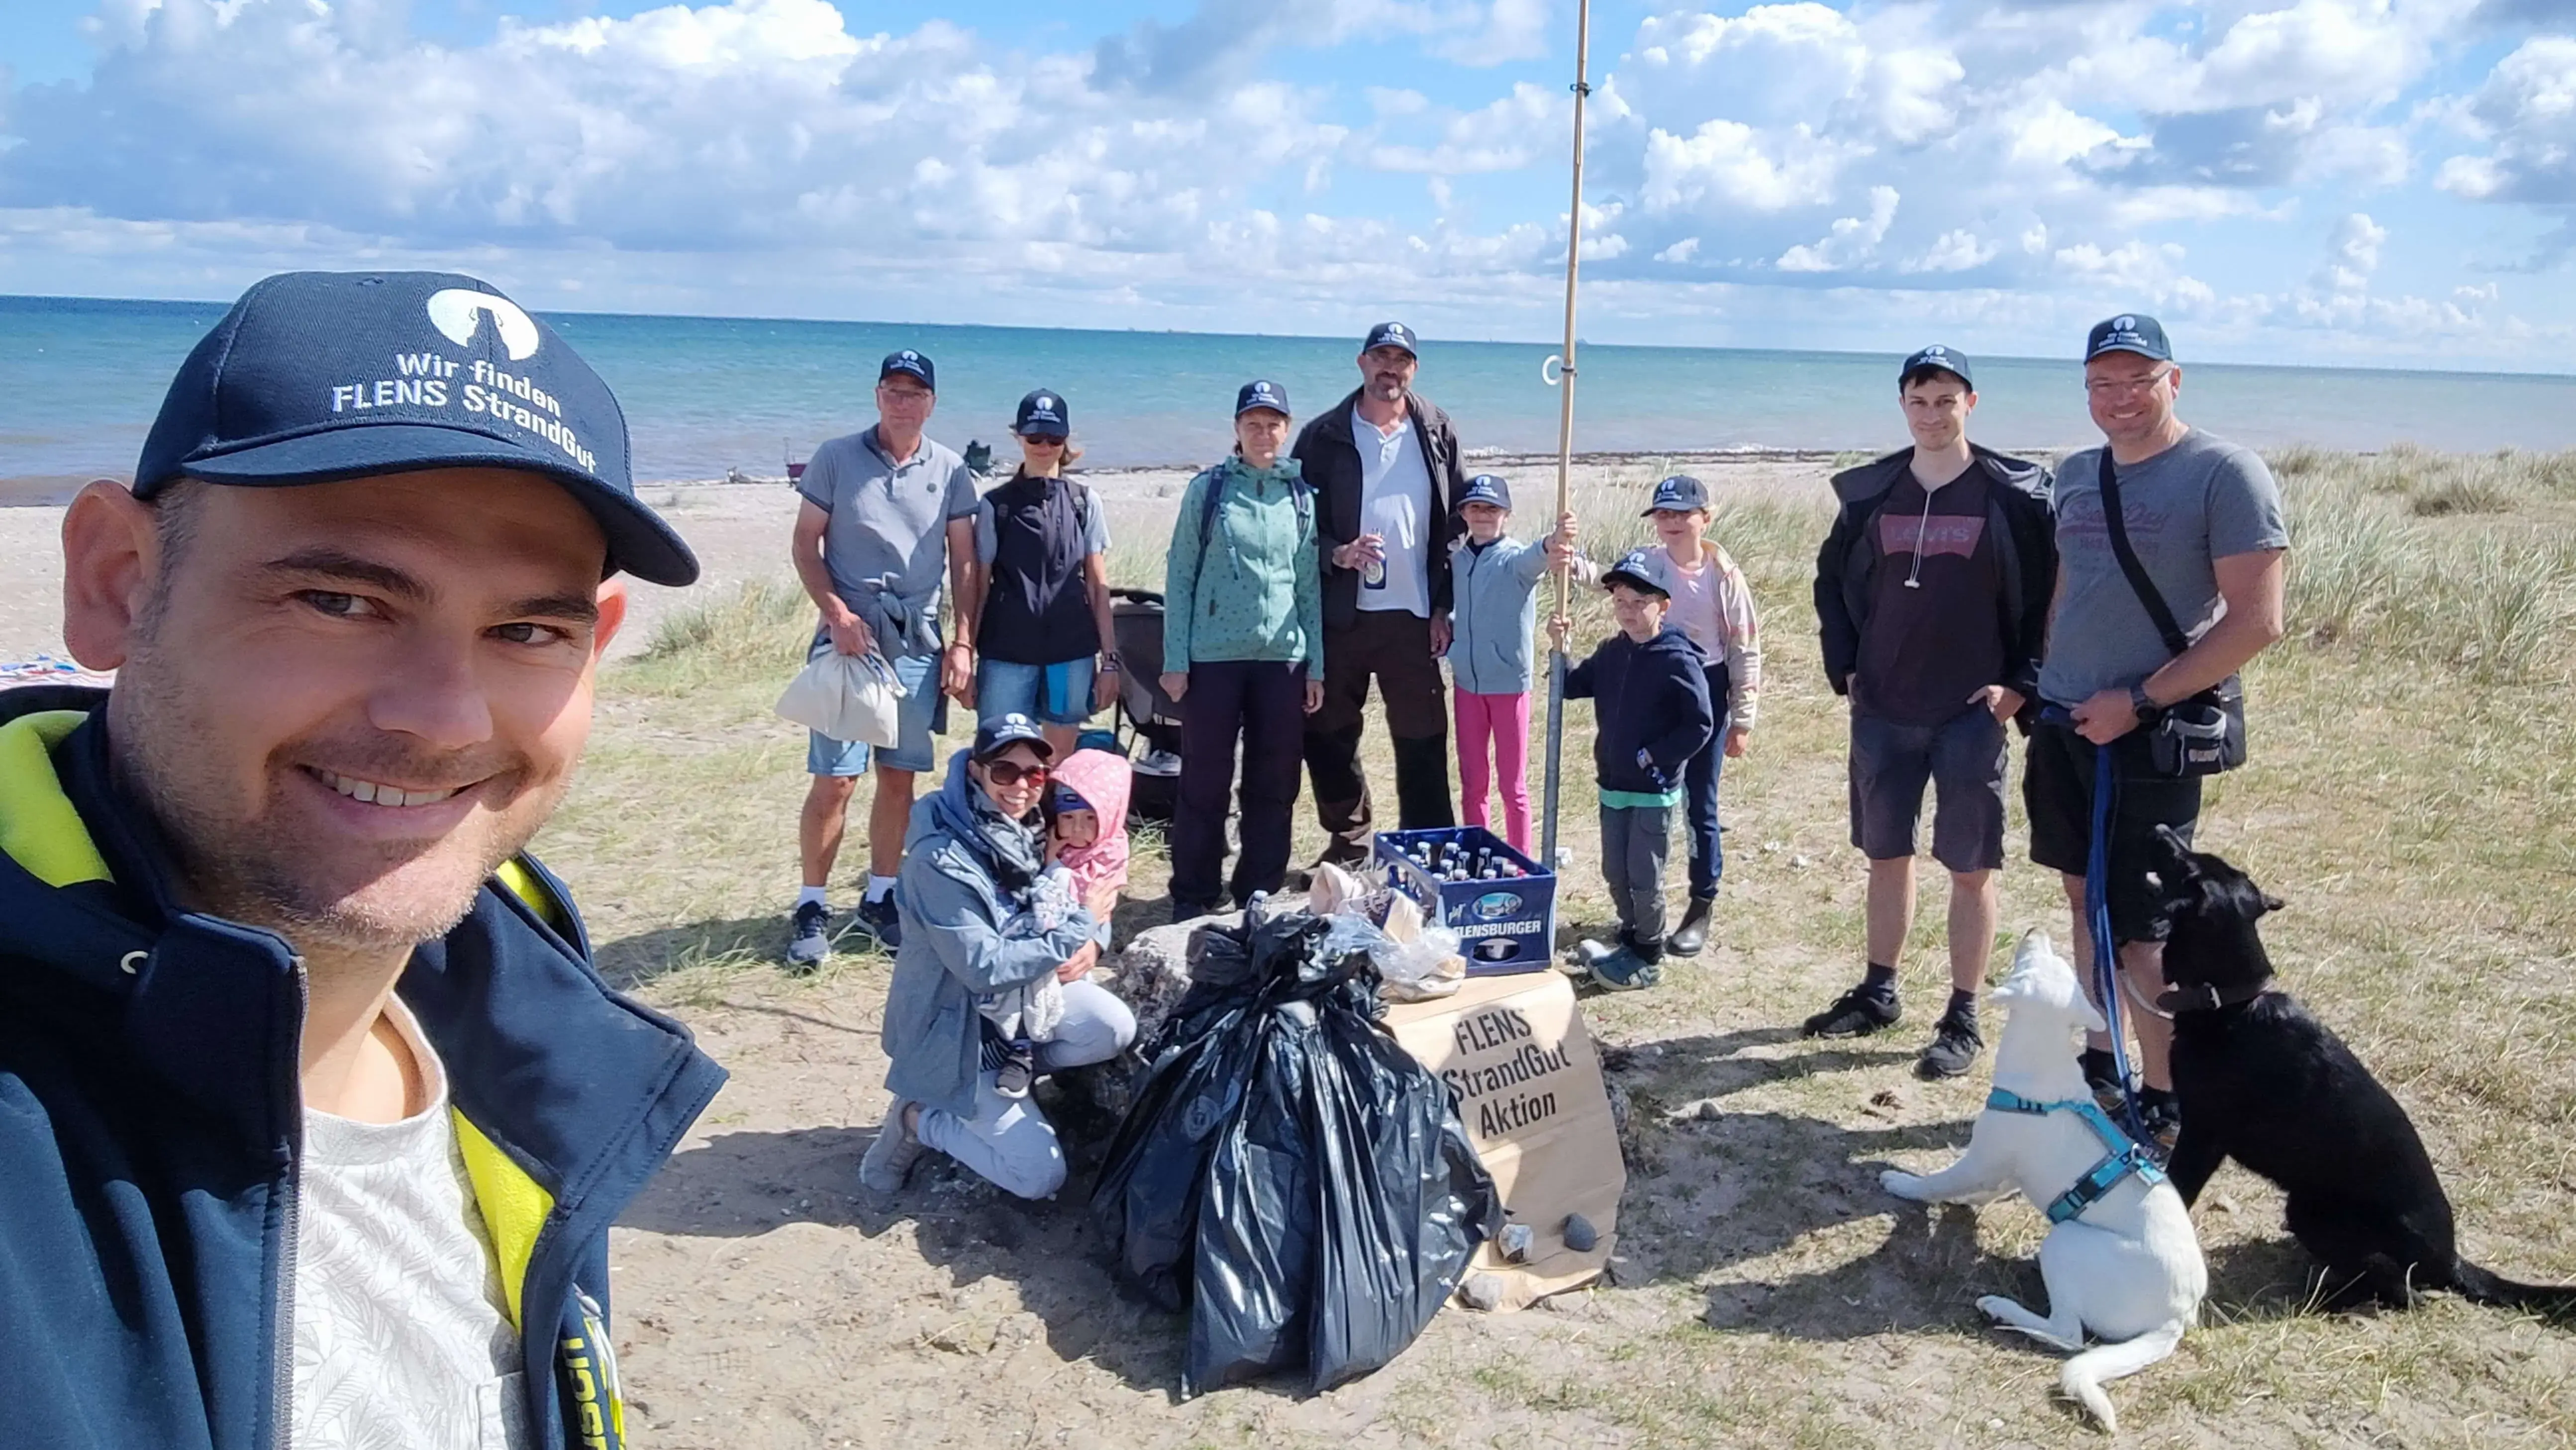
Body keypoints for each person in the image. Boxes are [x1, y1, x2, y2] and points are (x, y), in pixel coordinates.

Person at [0, 270, 726, 1448]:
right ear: (116, 583)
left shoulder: (514, 1018)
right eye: (338, 600)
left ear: (594, 649)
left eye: (524, 630)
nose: (445, 721)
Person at [2028, 314, 2288, 1148]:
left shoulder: (2223, 473)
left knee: (2143, 925)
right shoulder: (2075, 474)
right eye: (2101, 382)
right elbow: (2071, 585)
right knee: (2080, 894)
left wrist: (2135, 701)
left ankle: (2167, 1091)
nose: (2118, 398)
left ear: (2173, 382)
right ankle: (2103, 1055)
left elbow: (2255, 621)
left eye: (2136, 380)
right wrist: (2044, 679)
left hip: (2148, 733)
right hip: (2065, 721)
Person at [1804, 346, 2059, 1080]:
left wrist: (2020, 682)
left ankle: (1962, 1012)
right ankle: (1879, 989)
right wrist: (1845, 663)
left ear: (1969, 404)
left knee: (1969, 864)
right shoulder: (1872, 492)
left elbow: (2047, 597)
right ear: (1902, 406)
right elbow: (1831, 582)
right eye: (1919, 401)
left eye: (1945, 400)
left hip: (1969, 712)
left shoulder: (2010, 494)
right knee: (1886, 855)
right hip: (1883, 705)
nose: (1931, 414)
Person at [864, 715, 1137, 1199]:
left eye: (1034, 774)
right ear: (976, 771)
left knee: (1111, 1026)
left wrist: (1093, 940)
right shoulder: (939, 858)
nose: (1021, 786)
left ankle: (1015, 1082)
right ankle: (920, 1119)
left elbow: (1086, 882)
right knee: (1040, 1177)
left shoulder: (1033, 827)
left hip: (1021, 1010)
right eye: (1005, 771)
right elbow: (983, 965)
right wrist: (1079, 928)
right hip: (958, 1032)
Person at [788, 348, 981, 967]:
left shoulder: (950, 469)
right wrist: (837, 615)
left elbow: (965, 561)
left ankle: (881, 897)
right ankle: (812, 903)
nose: (904, 402)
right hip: (851, 638)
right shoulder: (836, 458)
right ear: (877, 395)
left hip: (917, 641)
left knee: (899, 778)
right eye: (893, 391)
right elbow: (804, 543)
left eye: (915, 392)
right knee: (837, 778)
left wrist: (963, 641)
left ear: (932, 402)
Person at [1293, 322, 1467, 867]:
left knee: (1422, 735)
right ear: (1362, 362)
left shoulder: (1437, 429)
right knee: (1328, 733)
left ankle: (1428, 847)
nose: (1390, 368)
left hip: (1414, 614)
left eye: (1402, 359)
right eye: (1381, 357)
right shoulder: (1324, 434)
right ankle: (1350, 843)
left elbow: (1458, 521)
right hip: (1341, 613)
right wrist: (1336, 553)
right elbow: (1294, 522)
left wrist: (1444, 603)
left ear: (1413, 368)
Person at [1160, 380, 1327, 918]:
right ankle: (1193, 891)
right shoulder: (1208, 490)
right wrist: (1175, 660)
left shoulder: (1300, 496)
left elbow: (1308, 586)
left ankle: (1258, 886)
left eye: (1273, 423)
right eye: (1253, 424)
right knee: (1204, 780)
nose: (1263, 433)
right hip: (1212, 658)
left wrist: (1316, 665)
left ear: (1287, 428)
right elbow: (1181, 574)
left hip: (1282, 658)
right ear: (1236, 429)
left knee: (1275, 780)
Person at [1550, 550, 1717, 992]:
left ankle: (1648, 955)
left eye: (1638, 601)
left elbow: (1699, 723)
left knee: (1645, 876)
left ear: (1662, 604)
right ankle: (1628, 938)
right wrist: (1560, 649)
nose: (1628, 611)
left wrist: (1656, 756)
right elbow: (1571, 686)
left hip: (1652, 790)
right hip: (1613, 785)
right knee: (1615, 871)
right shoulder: (1611, 653)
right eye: (1620, 601)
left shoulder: (1676, 658)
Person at [1641, 475, 1765, 958]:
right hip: (1656, 685)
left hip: (1707, 691)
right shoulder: (1649, 563)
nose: (1671, 523)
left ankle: (1701, 902)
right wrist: (1565, 554)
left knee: (1701, 802)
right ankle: (1643, 904)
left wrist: (1743, 719)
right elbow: (1606, 582)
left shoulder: (1723, 574)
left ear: (1705, 518)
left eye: (1681, 514)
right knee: (1649, 794)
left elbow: (1745, 645)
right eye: (1663, 514)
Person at [960, 389, 1120, 759]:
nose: (1044, 446)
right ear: (1019, 437)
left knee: (1060, 759)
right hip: (1006, 654)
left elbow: (1098, 587)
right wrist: (965, 654)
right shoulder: (994, 506)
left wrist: (1110, 660)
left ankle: (1054, 819)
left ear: (1066, 440)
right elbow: (977, 588)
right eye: (1034, 437)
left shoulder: (1084, 501)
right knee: (1001, 756)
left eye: (1054, 438)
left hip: (1071, 654)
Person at [1444, 473, 1584, 853]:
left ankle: (1520, 861)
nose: (1484, 515)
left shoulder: (1514, 560)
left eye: (1492, 508)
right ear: (1464, 513)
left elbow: (1540, 554)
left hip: (1509, 685)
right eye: (1476, 507)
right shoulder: (1457, 559)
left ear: (1506, 514)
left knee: (1513, 786)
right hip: (1467, 684)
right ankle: (1478, 854)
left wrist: (1558, 538)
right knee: (1473, 781)